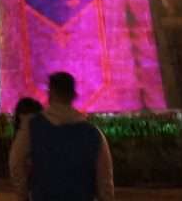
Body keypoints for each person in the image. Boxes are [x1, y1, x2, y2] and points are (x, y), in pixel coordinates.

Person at [9, 72, 115, 201]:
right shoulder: (94, 134)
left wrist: (23, 195)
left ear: (50, 94)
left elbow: (16, 162)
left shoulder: (31, 127)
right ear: (74, 95)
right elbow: (105, 181)